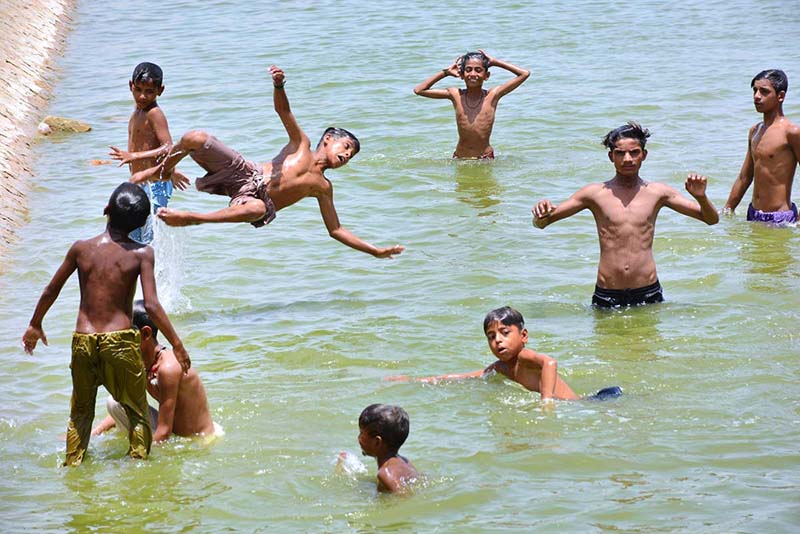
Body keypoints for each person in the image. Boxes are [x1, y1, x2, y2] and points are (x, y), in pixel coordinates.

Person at [132, 65, 404, 259]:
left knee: (259, 207)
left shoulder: (322, 187)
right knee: (195, 137)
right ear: (328, 138)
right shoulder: (302, 144)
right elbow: (283, 110)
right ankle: (161, 169)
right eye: (345, 147)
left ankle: (194, 219)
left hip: (252, 202)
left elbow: (336, 229)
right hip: (244, 173)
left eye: (350, 155)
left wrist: (375, 250)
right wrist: (279, 85)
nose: (346, 156)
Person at [22, 183, 190, 466]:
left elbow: (52, 289)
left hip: (83, 341)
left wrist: (35, 324)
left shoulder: (81, 249)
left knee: (80, 415)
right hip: (120, 343)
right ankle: (138, 475)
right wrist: (177, 344)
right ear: (141, 224)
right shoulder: (141, 253)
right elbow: (151, 305)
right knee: (137, 414)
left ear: (106, 211)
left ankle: (73, 465)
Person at [532, 122, 719, 307]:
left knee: (650, 338)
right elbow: (543, 223)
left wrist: (701, 197)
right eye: (620, 153)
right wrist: (541, 214)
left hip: (648, 291)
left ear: (644, 155)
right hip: (607, 293)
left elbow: (711, 219)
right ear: (611, 156)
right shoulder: (594, 194)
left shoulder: (658, 192)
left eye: (634, 152)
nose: (627, 159)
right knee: (604, 339)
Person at [387, 307, 620, 402]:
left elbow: (549, 362)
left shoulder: (525, 357)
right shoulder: (500, 367)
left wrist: (546, 402)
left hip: (581, 406)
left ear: (524, 335)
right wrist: (417, 381)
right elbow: (469, 376)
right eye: (490, 336)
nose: (497, 340)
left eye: (505, 333)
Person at [92, 300, 219, 442]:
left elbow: (164, 432)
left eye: (125, 336)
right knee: (115, 402)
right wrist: (93, 434)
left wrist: (136, 460)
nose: (119, 342)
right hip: (172, 431)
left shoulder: (167, 369)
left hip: (199, 440)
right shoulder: (143, 364)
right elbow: (126, 407)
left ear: (146, 333)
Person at [109, 62, 190, 243]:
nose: (143, 96)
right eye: (138, 90)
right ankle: (140, 269)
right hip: (141, 184)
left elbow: (167, 146)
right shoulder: (136, 113)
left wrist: (134, 156)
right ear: (130, 85)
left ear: (160, 90)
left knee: (149, 237)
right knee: (133, 234)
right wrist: (172, 170)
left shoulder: (155, 113)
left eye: (149, 91)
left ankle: (150, 269)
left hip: (156, 185)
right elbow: (151, 146)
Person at [413, 50, 530, 159]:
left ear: (486, 76)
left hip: (485, 158)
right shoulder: (456, 95)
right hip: (460, 157)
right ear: (462, 74)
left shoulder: (492, 96)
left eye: (478, 70)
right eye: (468, 70)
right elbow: (419, 90)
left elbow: (524, 74)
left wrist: (495, 62)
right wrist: (446, 73)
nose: (473, 74)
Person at [724, 69, 800, 224]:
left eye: (764, 92)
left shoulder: (791, 132)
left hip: (780, 218)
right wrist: (728, 209)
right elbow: (744, 177)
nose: (757, 96)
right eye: (755, 90)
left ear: (781, 96)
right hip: (753, 214)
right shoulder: (755, 131)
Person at [357, 404, 419, 494]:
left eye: (361, 433)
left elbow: (403, 497)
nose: (358, 438)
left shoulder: (385, 473)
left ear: (377, 442)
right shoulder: (404, 461)